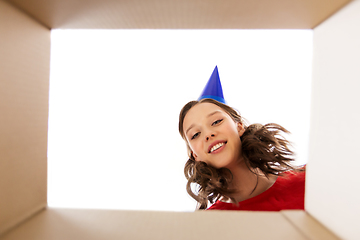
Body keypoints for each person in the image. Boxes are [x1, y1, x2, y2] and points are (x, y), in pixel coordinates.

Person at [178, 66, 305, 211]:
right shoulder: (209, 223)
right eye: (195, 135)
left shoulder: (310, 180)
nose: (208, 134)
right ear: (195, 155)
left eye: (216, 122)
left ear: (239, 127)